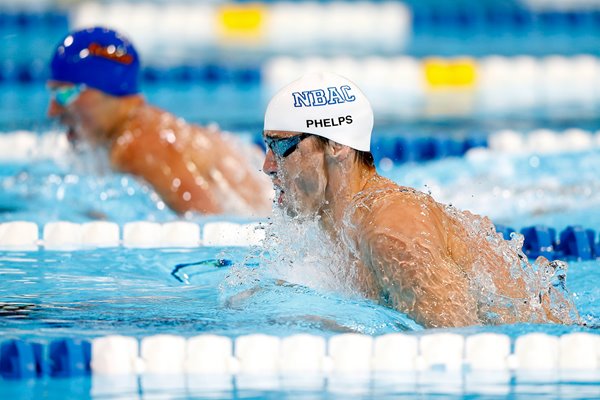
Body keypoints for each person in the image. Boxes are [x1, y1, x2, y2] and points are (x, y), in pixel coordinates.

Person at [261, 72, 579, 328]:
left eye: (281, 146)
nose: (267, 166)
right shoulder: (337, 225)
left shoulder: (391, 233)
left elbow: (460, 348)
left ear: (337, 146)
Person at [47, 27, 272, 216]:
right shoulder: (135, 131)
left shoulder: (139, 144)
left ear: (106, 92)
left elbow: (208, 226)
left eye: (64, 94)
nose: (53, 110)